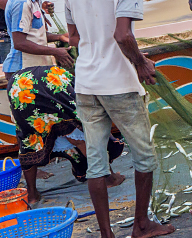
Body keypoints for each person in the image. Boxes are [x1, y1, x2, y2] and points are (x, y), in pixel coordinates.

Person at [62, 0, 175, 238]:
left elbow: (73, 37)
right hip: (120, 83)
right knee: (144, 156)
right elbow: (123, 33)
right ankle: (141, 225)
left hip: (86, 83)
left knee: (96, 162)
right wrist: (140, 62)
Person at [7, 65, 125, 205]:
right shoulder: (83, 85)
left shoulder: (74, 77)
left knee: (29, 139)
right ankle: (109, 178)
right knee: (79, 133)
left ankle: (32, 195)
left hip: (16, 85)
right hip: (48, 81)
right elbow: (89, 128)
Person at [2, 0, 73, 87]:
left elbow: (32, 35)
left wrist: (60, 37)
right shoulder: (22, 2)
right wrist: (55, 51)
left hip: (34, 68)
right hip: (22, 71)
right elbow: (19, 43)